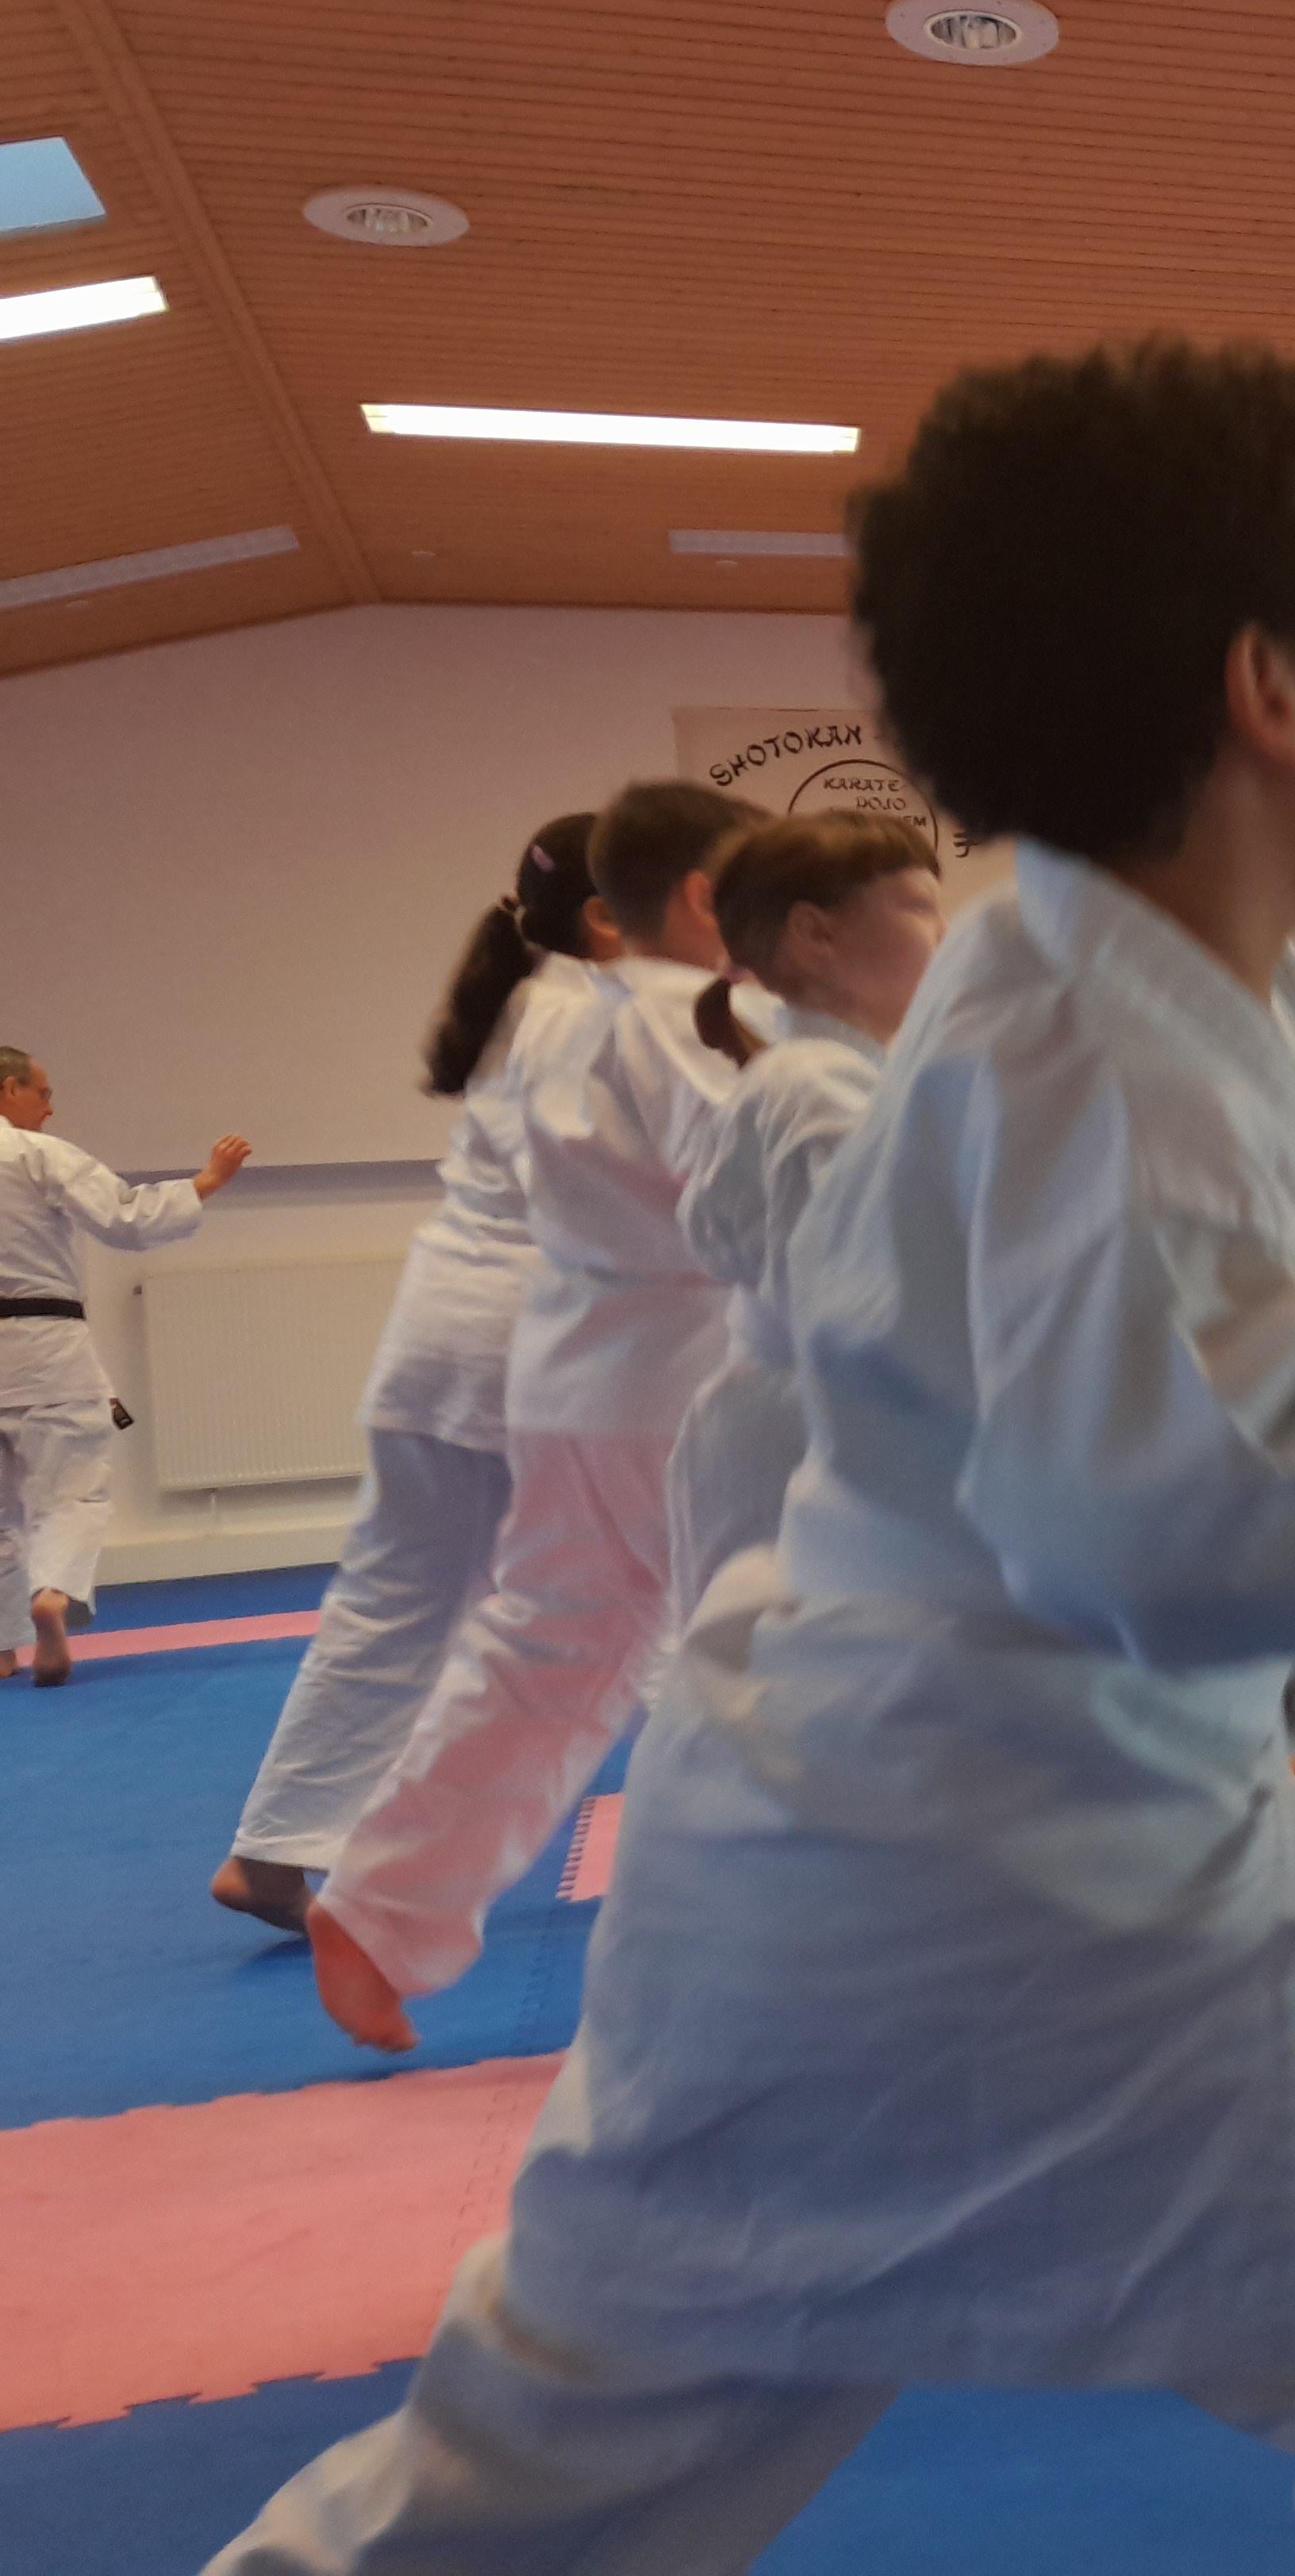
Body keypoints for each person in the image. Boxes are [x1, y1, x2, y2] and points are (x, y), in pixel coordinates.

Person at [208, 336, 1295, 2576]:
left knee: (519, 2496)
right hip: (1043, 1896)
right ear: (1270, 693)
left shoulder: (1137, 976)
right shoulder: (1095, 1041)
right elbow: (1176, 1500)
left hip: (817, 1888)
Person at [303, 779, 759, 2054]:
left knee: (557, 1645)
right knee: (777, 1633)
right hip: (674, 1377)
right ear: (707, 896)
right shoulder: (688, 1017)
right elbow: (755, 1187)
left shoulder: (555, 1013)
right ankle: (780, 1930)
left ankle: (384, 1908)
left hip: (579, 1369)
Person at [211, 820, 608, 1930]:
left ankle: (275, 1850)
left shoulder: (529, 1000)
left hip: (444, 1335)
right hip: (529, 1342)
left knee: (395, 1604)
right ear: (612, 915)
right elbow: (604, 1193)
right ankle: (774, 1849)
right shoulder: (586, 1016)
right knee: (665, 1585)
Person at [670, 814, 946, 1624]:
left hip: (817, 1421)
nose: (946, 933)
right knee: (793, 1669)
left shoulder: (837, 1076)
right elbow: (859, 1294)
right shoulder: (815, 1087)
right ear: (815, 935)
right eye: (920, 908)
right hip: (814, 1433)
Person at [0, 1050, 249, 1686]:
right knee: (72, 1492)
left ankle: (0, 1648)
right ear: (9, 1089)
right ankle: (51, 1594)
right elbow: (124, 1217)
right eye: (43, 1093)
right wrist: (206, 1182)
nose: (50, 1108)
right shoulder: (35, 1154)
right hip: (44, 1347)